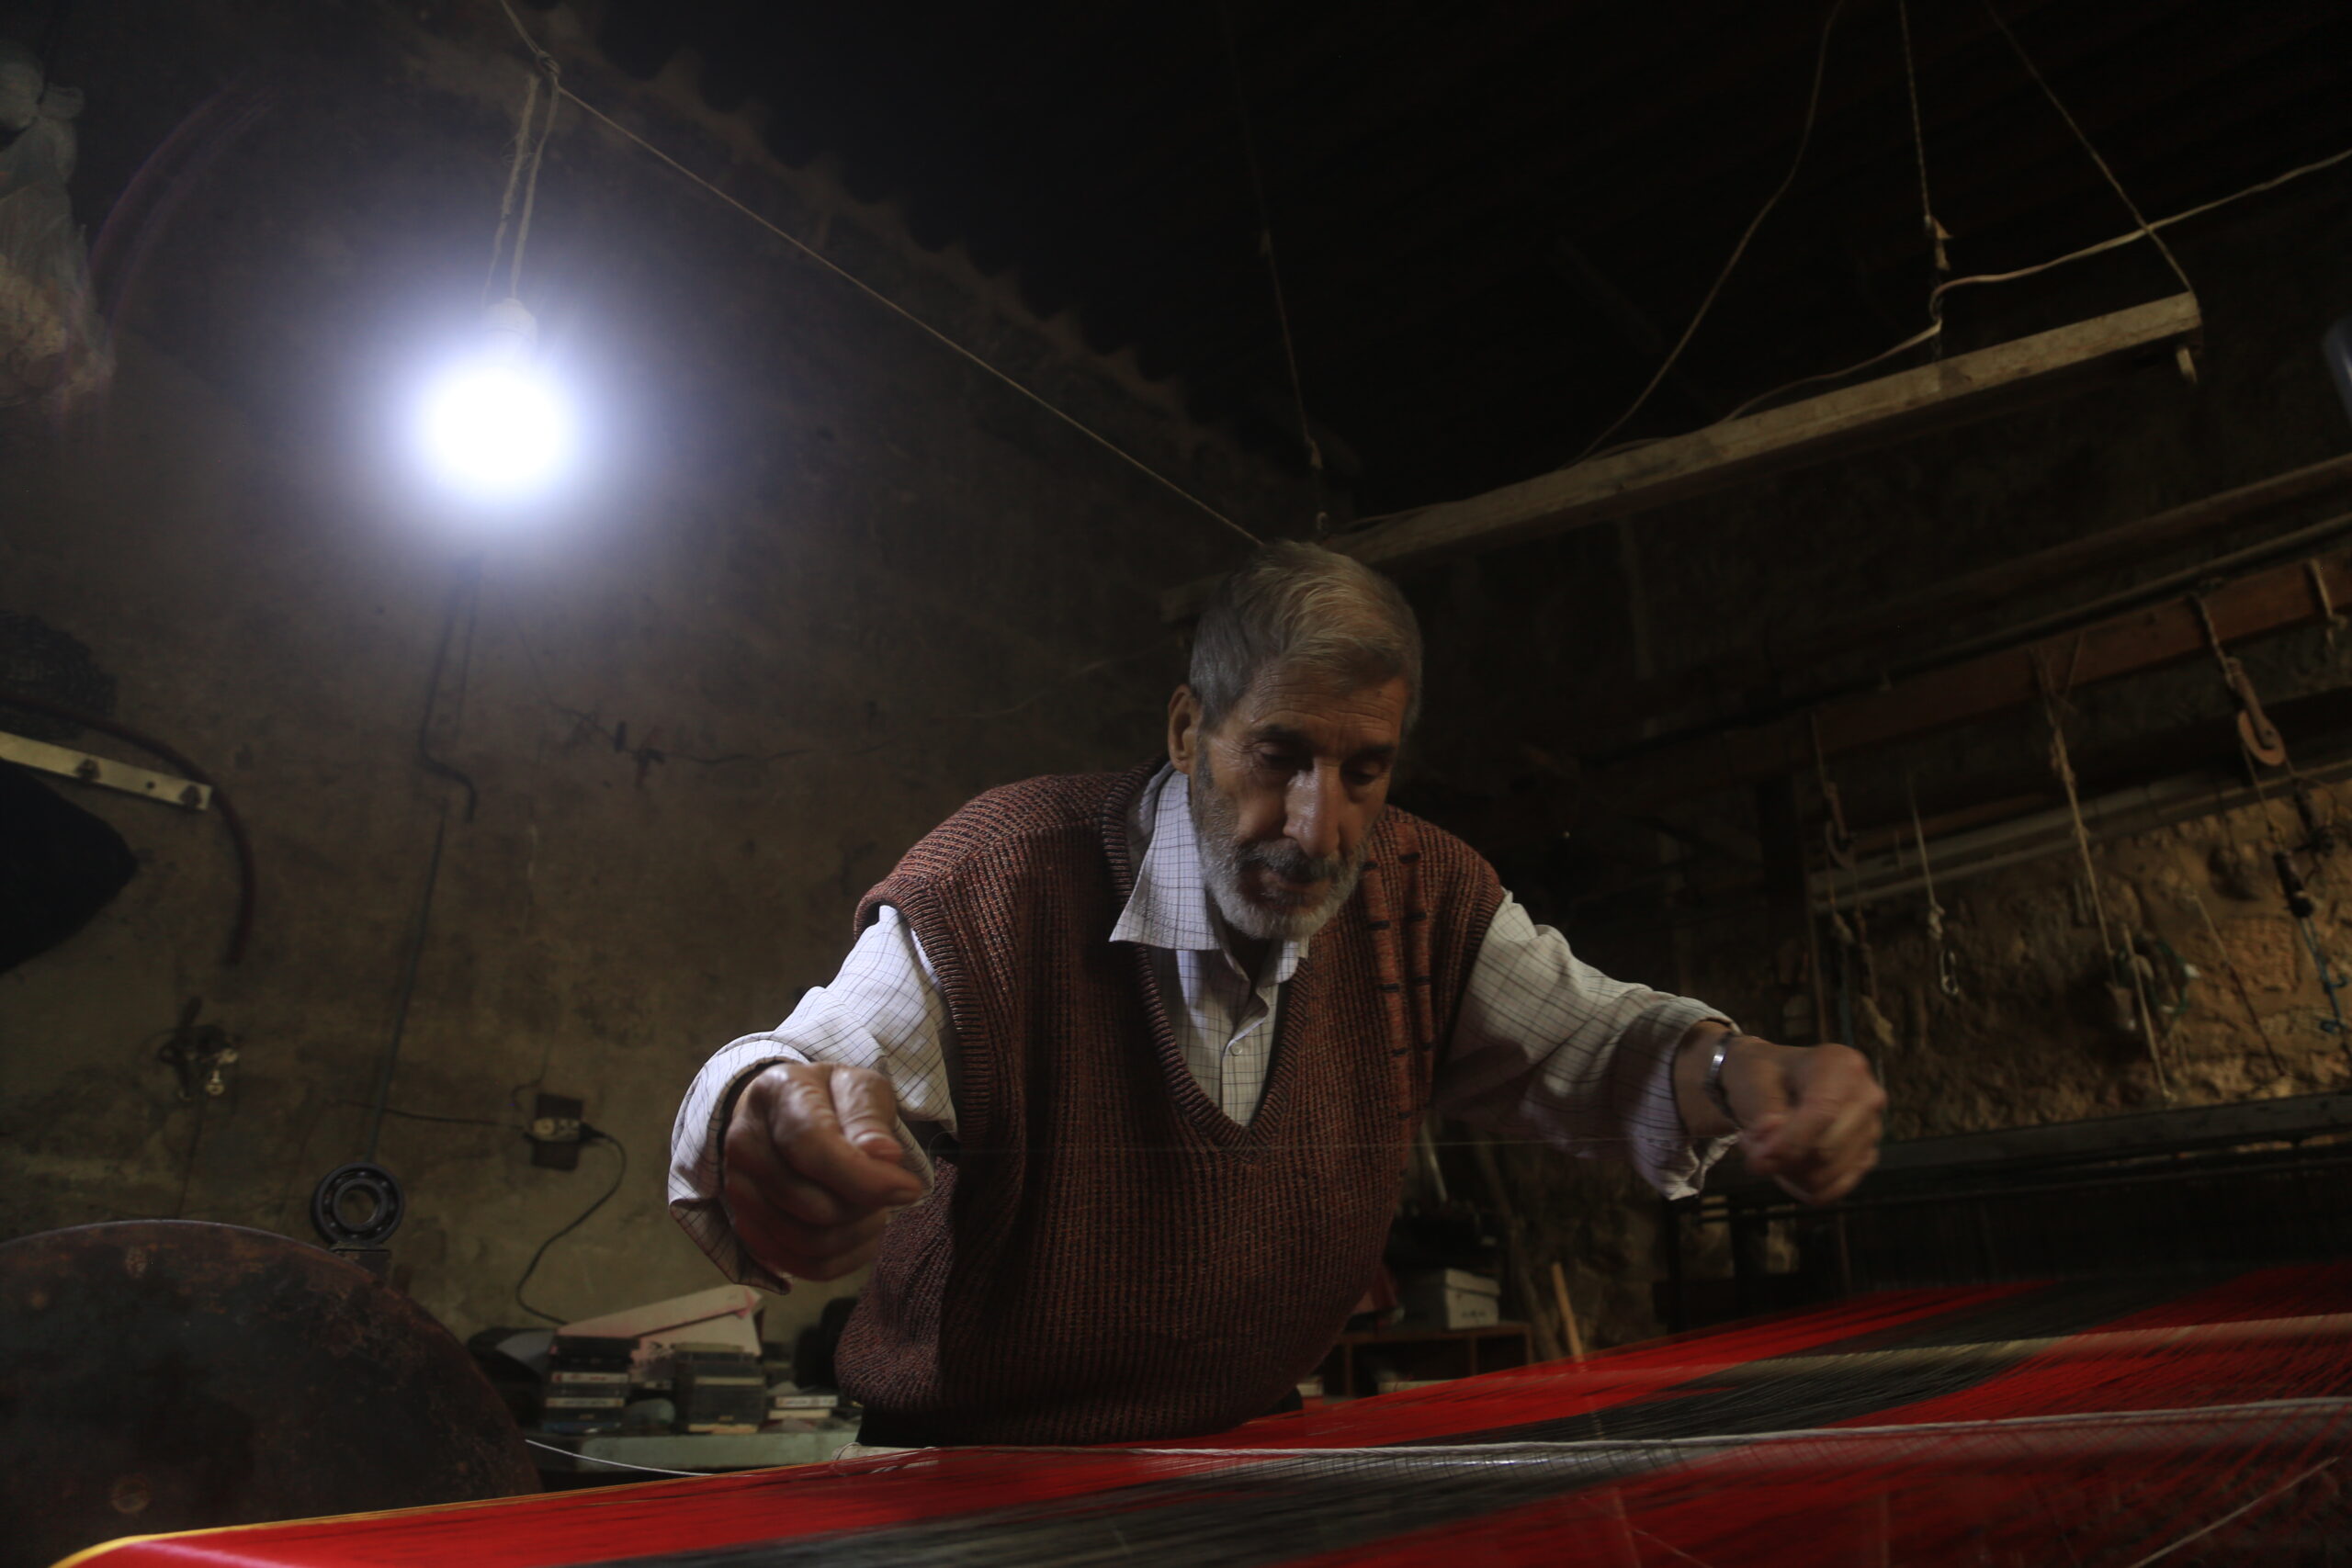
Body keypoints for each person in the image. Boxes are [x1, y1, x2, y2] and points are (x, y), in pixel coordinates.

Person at [669, 542, 1883, 1448]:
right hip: (967, 1480)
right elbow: (815, 1054)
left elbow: (1603, 1043)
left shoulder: (1424, 895)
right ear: (1188, 729)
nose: (1319, 828)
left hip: (1244, 1465)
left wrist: (1738, 1071)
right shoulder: (1002, 876)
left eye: (1364, 771)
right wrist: (762, 1114)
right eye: (1281, 757)